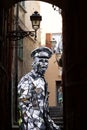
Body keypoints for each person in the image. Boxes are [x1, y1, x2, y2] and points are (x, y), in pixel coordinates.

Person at [17, 46, 61, 130]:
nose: (44, 64)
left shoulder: (43, 81)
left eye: (46, 61)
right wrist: (31, 125)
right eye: (41, 61)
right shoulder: (27, 79)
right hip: (31, 126)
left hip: (42, 125)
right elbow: (23, 104)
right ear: (34, 62)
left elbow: (44, 109)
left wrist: (51, 125)